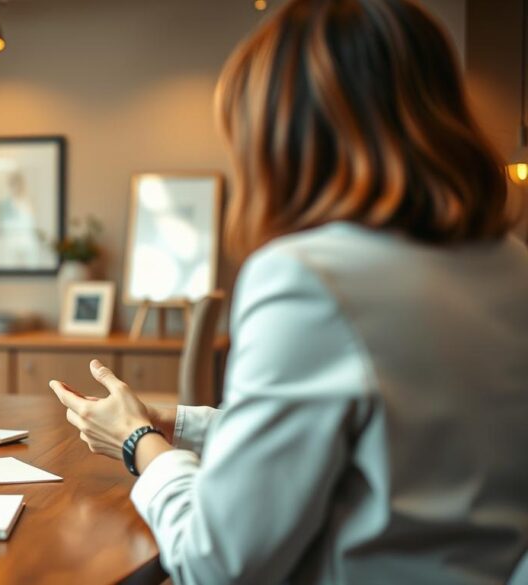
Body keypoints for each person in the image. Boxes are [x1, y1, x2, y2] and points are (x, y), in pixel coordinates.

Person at [50, 1, 528, 583]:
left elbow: (216, 561)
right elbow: (370, 440)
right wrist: (179, 423)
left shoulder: (309, 277)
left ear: (281, 136)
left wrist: (138, 443)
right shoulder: (510, 264)